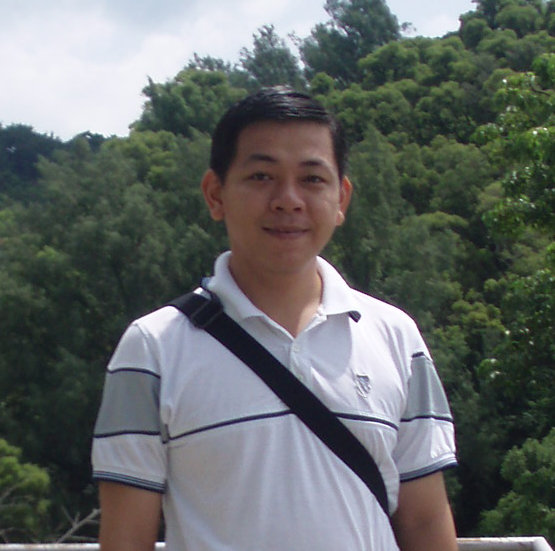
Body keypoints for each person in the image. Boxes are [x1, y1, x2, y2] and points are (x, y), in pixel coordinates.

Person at [92, 86, 458, 551]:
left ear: (341, 198)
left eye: (312, 179)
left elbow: (425, 523)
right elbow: (126, 539)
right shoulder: (152, 348)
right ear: (215, 194)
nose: (288, 200)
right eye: (261, 176)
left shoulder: (395, 337)